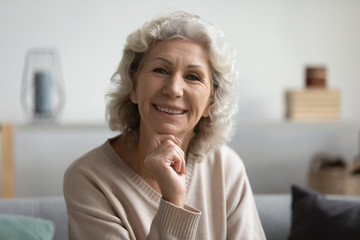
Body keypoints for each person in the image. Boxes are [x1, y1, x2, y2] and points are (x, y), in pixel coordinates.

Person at [63, 11, 266, 240]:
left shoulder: (226, 168)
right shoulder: (89, 178)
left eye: (193, 77)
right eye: (161, 70)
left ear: (211, 102)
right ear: (133, 86)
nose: (174, 89)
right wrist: (173, 201)